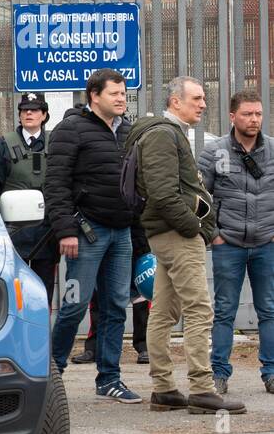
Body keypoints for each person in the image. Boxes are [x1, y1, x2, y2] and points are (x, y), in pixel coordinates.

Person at [127, 76, 243, 414]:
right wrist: (193, 227)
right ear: (175, 101)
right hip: (177, 235)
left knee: (163, 310)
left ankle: (164, 388)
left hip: (166, 234)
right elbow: (163, 193)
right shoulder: (164, 133)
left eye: (203, 98)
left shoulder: (164, 132)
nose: (203, 104)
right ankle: (203, 389)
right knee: (199, 309)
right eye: (197, 97)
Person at [43, 69, 140, 403]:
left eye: (123, 93)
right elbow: (55, 185)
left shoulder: (129, 131)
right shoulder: (70, 130)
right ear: (94, 95)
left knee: (115, 306)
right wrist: (65, 230)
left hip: (122, 234)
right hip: (85, 235)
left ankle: (109, 379)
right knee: (74, 305)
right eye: (114, 93)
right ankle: (51, 377)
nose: (121, 98)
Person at [200, 89, 274, 396]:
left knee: (268, 309)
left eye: (258, 113)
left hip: (266, 243)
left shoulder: (272, 149)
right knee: (225, 311)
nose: (254, 119)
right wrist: (213, 235)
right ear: (233, 116)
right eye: (247, 114)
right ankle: (219, 373)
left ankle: (270, 372)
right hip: (227, 243)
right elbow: (199, 198)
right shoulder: (214, 151)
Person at [0, 91, 57, 305]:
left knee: (44, 295)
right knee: (16, 296)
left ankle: (43, 337)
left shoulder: (55, 144)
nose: (28, 114)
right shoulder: (4, 144)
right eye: (24, 110)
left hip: (47, 232)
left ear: (44, 115)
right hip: (14, 234)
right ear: (19, 116)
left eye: (34, 110)